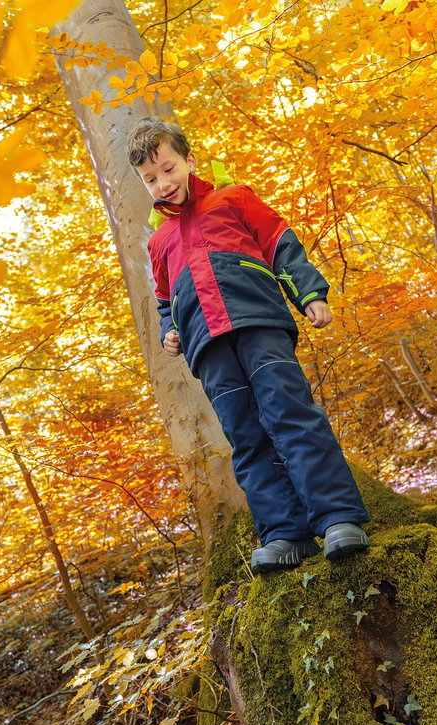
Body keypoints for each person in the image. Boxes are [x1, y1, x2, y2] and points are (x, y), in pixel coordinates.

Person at [127, 116, 370, 573]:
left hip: (258, 321)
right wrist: (169, 330)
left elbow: (280, 244)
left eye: (169, 169)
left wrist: (309, 293)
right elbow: (164, 299)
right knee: (246, 436)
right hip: (208, 348)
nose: (163, 183)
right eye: (151, 179)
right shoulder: (158, 243)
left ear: (190, 161)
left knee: (290, 413)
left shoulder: (232, 198)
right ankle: (284, 534)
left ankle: (338, 517)